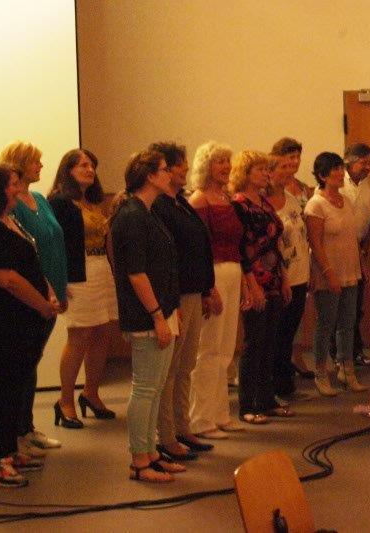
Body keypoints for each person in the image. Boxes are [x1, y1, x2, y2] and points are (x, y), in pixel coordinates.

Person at [0, 163, 58, 488]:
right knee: (5, 389)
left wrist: (49, 292)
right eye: (13, 184)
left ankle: (11, 450)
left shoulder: (9, 221)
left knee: (18, 386)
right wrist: (42, 305)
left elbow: (30, 263)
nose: (19, 188)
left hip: (21, 321)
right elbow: (6, 278)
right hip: (0, 321)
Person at [110, 150, 183, 483]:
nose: (170, 174)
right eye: (165, 170)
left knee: (154, 388)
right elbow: (136, 273)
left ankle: (151, 452)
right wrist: (156, 315)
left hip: (161, 311)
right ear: (150, 176)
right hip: (146, 315)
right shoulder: (131, 216)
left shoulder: (147, 212)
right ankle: (139, 461)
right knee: (144, 389)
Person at [149, 142, 219, 461]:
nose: (185, 168)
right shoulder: (159, 206)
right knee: (170, 369)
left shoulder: (180, 202)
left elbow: (198, 247)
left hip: (191, 292)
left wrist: (206, 288)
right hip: (174, 296)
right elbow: (167, 257)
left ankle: (182, 427)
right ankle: (166, 436)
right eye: (178, 164)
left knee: (186, 365)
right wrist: (172, 301)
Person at [0, 141, 65, 454]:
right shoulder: (11, 206)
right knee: (23, 364)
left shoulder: (39, 198)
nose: (41, 166)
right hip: (31, 293)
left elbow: (54, 242)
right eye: (35, 161)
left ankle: (25, 427)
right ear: (20, 165)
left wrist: (60, 288)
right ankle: (17, 432)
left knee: (33, 360)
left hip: (51, 290)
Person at [48, 149, 118, 428]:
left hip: (102, 269)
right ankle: (65, 400)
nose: (90, 170)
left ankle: (91, 393)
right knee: (79, 335)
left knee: (103, 333)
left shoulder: (93, 201)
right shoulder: (60, 202)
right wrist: (56, 282)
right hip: (78, 273)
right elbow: (53, 245)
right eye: (83, 165)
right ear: (68, 170)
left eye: (92, 165)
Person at [188, 141, 245, 439]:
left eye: (227, 161)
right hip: (214, 274)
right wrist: (209, 288)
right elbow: (198, 249)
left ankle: (220, 414)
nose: (225, 166)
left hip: (232, 271)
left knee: (225, 349)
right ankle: (200, 419)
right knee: (208, 349)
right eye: (218, 161)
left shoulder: (225, 197)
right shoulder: (199, 200)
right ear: (205, 166)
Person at [231, 150, 293, 423]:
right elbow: (242, 249)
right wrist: (251, 286)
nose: (266, 173)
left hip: (274, 278)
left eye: (267, 169)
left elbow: (275, 244)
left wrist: (284, 276)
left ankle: (266, 400)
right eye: (260, 169)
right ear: (245, 173)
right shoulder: (240, 204)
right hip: (254, 279)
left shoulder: (264, 202)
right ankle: (247, 405)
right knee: (254, 342)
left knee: (270, 341)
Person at [305, 152, 367, 395]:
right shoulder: (316, 205)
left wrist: (361, 263)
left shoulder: (346, 201)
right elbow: (315, 243)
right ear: (322, 176)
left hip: (350, 269)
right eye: (335, 170)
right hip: (327, 272)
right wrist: (328, 273)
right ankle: (321, 372)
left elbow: (352, 237)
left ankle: (346, 369)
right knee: (326, 324)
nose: (341, 173)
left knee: (348, 324)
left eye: (341, 168)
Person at [266, 152, 311, 400]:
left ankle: (285, 383)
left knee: (288, 333)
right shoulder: (263, 202)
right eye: (282, 167)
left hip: (299, 275)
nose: (287, 171)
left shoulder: (293, 199)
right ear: (269, 172)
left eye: (289, 167)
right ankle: (272, 385)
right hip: (277, 277)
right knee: (275, 334)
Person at [338, 142, 370, 368]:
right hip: (340, 247)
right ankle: (339, 354)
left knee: (356, 305)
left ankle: (355, 350)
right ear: (350, 162)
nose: (368, 167)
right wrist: (360, 257)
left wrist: (365, 250)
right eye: (364, 162)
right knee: (340, 306)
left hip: (361, 246)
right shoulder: (338, 182)